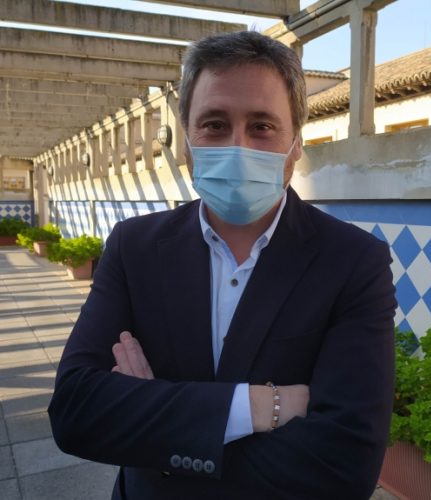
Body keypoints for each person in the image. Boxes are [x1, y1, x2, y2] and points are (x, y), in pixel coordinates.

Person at [48, 30, 396, 500]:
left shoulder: (353, 261)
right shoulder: (134, 247)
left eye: (262, 126)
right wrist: (264, 405)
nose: (238, 146)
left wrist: (156, 430)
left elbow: (346, 465)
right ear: (186, 142)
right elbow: (75, 412)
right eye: (214, 124)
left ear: (296, 142)